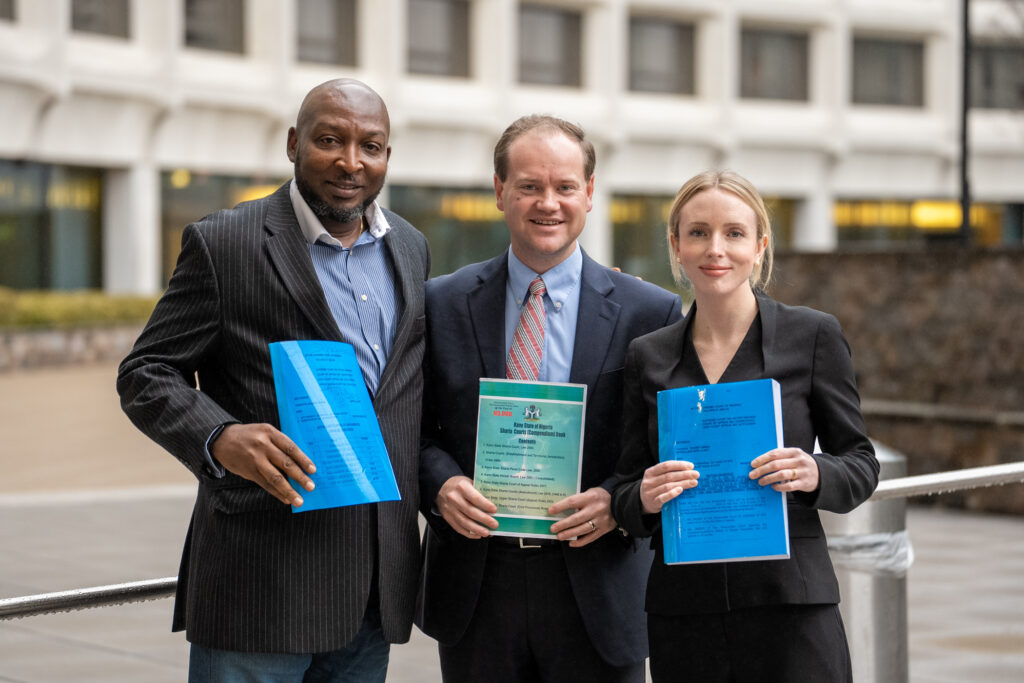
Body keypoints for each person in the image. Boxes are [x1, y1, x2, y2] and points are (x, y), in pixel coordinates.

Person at [117, 79, 430, 682]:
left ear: (388, 157)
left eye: (371, 145)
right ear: (293, 143)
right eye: (330, 140)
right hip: (261, 579)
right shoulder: (225, 243)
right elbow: (145, 373)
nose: (350, 161)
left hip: (371, 584)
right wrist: (220, 437)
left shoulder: (411, 249)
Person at [416, 115, 683, 683]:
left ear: (589, 193)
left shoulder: (650, 313)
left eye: (564, 187)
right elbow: (410, 427)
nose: (548, 203)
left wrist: (616, 500)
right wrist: (440, 485)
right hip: (477, 586)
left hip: (598, 587)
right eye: (529, 186)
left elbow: (663, 444)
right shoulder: (441, 302)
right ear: (499, 191)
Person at [611, 170, 879, 682]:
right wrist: (643, 497)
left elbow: (861, 465)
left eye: (734, 233)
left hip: (792, 607)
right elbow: (625, 490)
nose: (716, 249)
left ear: (759, 247)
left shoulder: (813, 336)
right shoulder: (649, 356)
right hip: (685, 614)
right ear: (676, 246)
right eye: (698, 232)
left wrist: (814, 472)